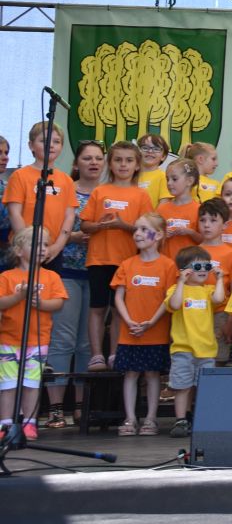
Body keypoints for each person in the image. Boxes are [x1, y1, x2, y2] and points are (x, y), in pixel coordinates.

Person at [44, 140, 104, 428]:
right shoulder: (65, 188)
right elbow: (50, 229)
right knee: (62, 339)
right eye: (87, 158)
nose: (93, 163)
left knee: (86, 343)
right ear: (76, 162)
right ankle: (56, 407)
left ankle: (82, 406)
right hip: (66, 270)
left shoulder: (108, 192)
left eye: (98, 158)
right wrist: (72, 237)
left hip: (97, 272)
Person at [81, 140, 152, 371]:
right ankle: (96, 355)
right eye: (118, 160)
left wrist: (124, 226)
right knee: (97, 307)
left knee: (118, 309)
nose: (123, 165)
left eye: (129, 160)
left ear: (137, 165)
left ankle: (114, 354)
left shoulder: (141, 195)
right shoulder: (100, 191)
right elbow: (84, 225)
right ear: (110, 164)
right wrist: (99, 226)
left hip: (128, 263)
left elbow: (148, 231)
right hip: (99, 259)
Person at [111, 213, 177, 436]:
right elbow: (119, 297)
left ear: (157, 235)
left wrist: (151, 322)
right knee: (130, 374)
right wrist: (129, 320)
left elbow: (169, 298)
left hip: (155, 332)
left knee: (152, 374)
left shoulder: (168, 266)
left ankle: (150, 418)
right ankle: (130, 418)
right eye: (136, 229)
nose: (137, 233)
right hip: (130, 332)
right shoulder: (127, 264)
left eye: (143, 229)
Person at [0, 227, 67, 441]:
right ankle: (5, 425)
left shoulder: (51, 276)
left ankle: (29, 423)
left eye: (45, 244)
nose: (42, 248)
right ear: (19, 251)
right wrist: (18, 297)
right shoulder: (7, 277)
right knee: (8, 384)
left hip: (38, 341)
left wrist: (41, 303)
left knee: (31, 384)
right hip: (9, 339)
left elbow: (58, 303)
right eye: (36, 244)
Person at [4, 121, 77, 294]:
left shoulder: (66, 180)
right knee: (17, 297)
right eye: (44, 141)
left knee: (47, 297)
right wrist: (28, 244)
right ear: (31, 145)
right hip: (23, 251)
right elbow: (14, 213)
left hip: (51, 251)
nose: (51, 145)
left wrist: (57, 246)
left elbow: (69, 216)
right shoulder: (20, 176)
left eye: (56, 142)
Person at [164, 246, 226, 438]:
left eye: (207, 266)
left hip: (206, 349)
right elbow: (174, 304)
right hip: (183, 348)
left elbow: (219, 298)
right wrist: (181, 282)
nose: (203, 270)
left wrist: (220, 279)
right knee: (182, 386)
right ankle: (181, 420)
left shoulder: (208, 290)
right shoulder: (176, 289)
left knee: (204, 388)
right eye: (197, 266)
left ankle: (203, 419)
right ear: (184, 270)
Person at [196, 197, 232, 364]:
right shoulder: (193, 252)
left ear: (224, 225)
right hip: (195, 312)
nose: (207, 225)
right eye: (203, 220)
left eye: (213, 220)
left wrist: (231, 320)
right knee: (196, 358)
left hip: (220, 313)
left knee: (218, 360)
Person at [158, 159, 201, 262]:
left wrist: (190, 232)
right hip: (165, 265)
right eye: (167, 179)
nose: (169, 183)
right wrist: (162, 234)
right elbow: (151, 237)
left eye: (174, 179)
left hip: (189, 266)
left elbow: (205, 240)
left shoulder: (199, 210)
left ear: (189, 181)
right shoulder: (161, 209)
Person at [135, 133, 171, 206]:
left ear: (163, 156)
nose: (150, 151)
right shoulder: (130, 175)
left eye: (156, 149)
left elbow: (164, 206)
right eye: (145, 148)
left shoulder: (164, 177)